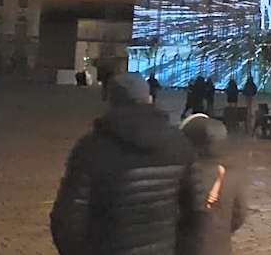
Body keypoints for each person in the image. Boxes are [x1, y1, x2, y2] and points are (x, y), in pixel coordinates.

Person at [50, 73, 195, 255]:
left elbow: (68, 219)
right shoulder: (180, 143)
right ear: (149, 98)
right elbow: (193, 209)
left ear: (111, 102)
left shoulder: (91, 148)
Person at [178, 114, 249, 255]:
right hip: (220, 247)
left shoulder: (183, 173)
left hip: (186, 247)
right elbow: (239, 214)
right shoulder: (231, 173)